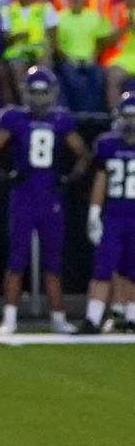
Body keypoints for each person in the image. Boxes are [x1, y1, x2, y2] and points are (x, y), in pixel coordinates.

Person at [0, 67, 88, 332]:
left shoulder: (61, 119)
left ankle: (58, 318)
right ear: (26, 93)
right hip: (24, 196)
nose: (39, 99)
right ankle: (9, 318)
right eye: (34, 92)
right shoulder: (15, 118)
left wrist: (70, 178)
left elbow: (84, 154)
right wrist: (4, 176)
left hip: (49, 196)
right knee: (16, 259)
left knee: (53, 262)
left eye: (43, 93)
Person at [80, 94, 135, 331]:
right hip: (114, 215)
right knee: (103, 268)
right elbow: (100, 180)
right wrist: (94, 212)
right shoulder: (108, 144)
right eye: (127, 116)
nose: (131, 122)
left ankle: (131, 317)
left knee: (132, 270)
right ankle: (93, 319)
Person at [53, 0, 112, 112]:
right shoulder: (60, 17)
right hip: (68, 59)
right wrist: (68, 58)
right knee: (73, 79)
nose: (77, 0)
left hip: (90, 59)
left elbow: (100, 42)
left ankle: (94, 114)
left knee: (97, 77)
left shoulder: (93, 16)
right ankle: (76, 113)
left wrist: (93, 56)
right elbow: (56, 44)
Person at [1, 0, 58, 83]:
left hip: (40, 52)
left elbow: (53, 37)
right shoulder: (7, 11)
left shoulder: (45, 8)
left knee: (44, 66)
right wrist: (16, 36)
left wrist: (49, 51)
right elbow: (4, 37)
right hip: (17, 54)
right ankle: (22, 93)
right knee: (16, 67)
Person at [101, 0, 135, 107]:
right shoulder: (112, 12)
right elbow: (105, 41)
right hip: (120, 57)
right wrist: (125, 28)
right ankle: (116, 113)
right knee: (113, 78)